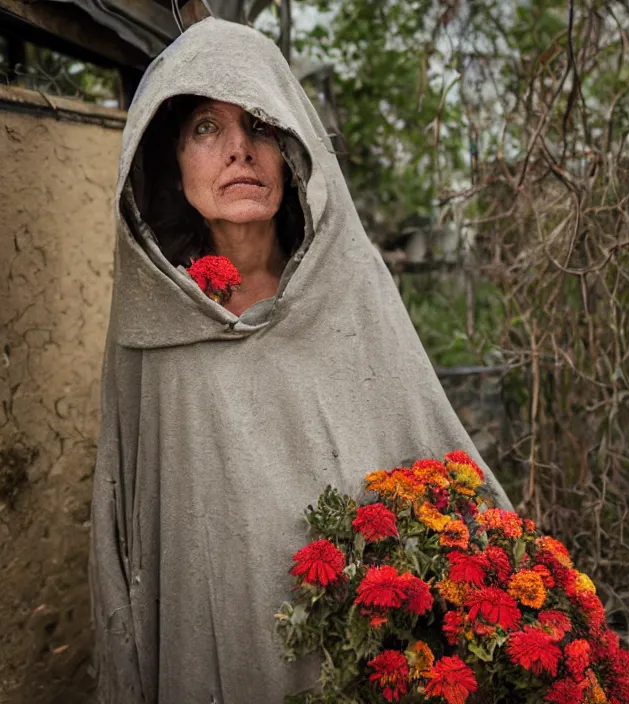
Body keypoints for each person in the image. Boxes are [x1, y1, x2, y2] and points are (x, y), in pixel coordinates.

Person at [89, 16, 513, 704]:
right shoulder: (153, 330)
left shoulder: (349, 295)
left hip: (352, 657)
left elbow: (419, 450)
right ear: (173, 160)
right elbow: (134, 535)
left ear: (291, 150)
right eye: (206, 129)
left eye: (259, 125)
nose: (239, 151)